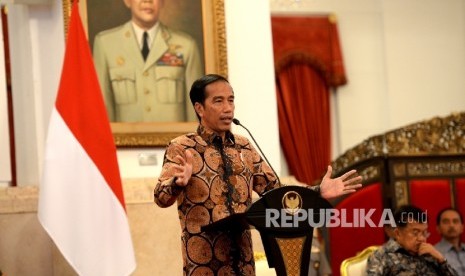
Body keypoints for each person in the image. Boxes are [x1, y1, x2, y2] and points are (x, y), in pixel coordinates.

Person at [154, 74, 363, 276]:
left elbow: (276, 193)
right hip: (204, 264)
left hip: (243, 262)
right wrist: (177, 183)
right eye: (218, 101)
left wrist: (317, 192)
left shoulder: (244, 146)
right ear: (199, 108)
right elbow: (161, 198)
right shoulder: (182, 147)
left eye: (231, 100)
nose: (228, 108)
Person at [93, 0, 202, 122]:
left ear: (162, 2)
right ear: (127, 1)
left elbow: (195, 111)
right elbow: (102, 106)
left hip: (175, 140)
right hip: (125, 140)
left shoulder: (186, 46)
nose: (147, 1)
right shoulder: (106, 44)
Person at [366, 204, 458, 276]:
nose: (422, 238)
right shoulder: (382, 255)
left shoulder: (429, 254)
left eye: (424, 232)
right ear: (398, 233)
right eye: (415, 232)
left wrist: (441, 260)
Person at [435, 208, 465, 276]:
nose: (451, 225)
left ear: (462, 227)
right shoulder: (434, 253)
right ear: (438, 228)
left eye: (455, 221)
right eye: (446, 222)